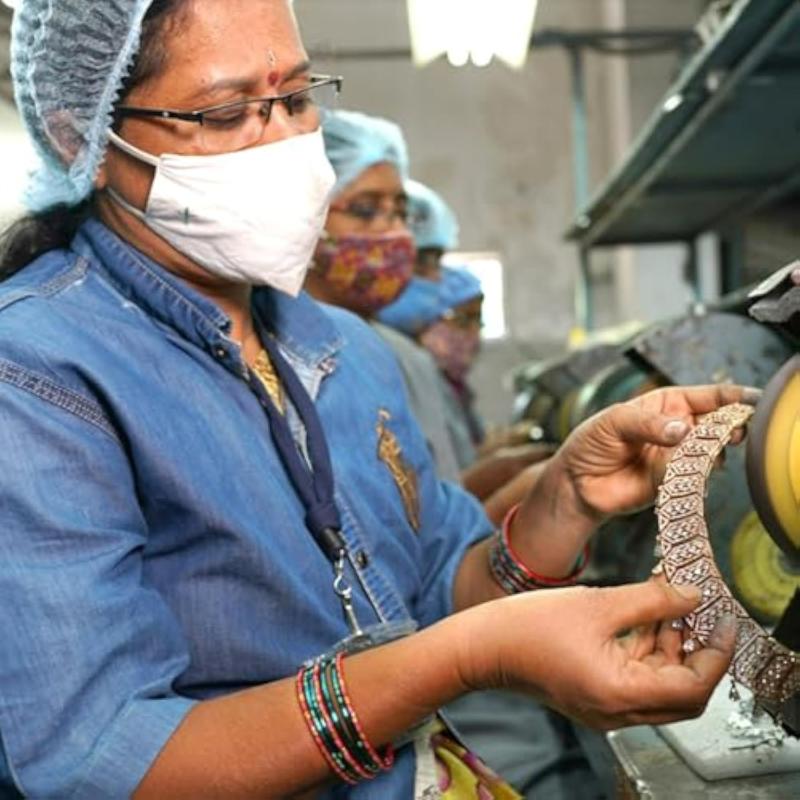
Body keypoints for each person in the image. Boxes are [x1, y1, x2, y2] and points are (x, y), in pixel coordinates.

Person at [0, 1, 752, 798]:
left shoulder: (344, 350)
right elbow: (104, 760)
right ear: (83, 141)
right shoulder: (38, 375)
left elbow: (439, 589)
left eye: (296, 97)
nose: (285, 142)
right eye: (224, 113)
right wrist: (467, 658)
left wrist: (564, 498)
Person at [310, 109, 551, 505]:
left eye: (400, 212)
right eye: (366, 210)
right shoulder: (293, 354)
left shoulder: (388, 353)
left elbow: (433, 516)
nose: (394, 231)